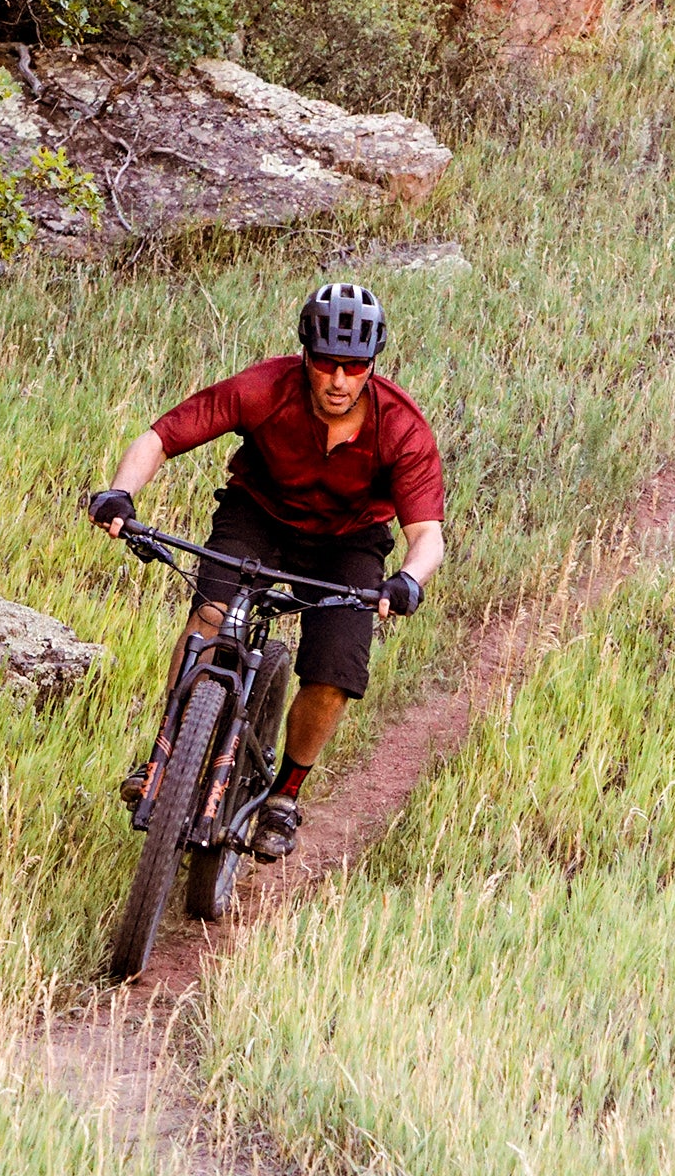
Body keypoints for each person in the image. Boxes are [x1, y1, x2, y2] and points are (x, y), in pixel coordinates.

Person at [87, 282, 445, 860]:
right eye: (327, 363)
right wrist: (121, 494)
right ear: (305, 355)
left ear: (372, 366)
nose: (339, 380)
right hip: (260, 514)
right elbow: (160, 437)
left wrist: (408, 579)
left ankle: (285, 794)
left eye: (354, 367)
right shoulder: (264, 389)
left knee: (335, 671)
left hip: (348, 542)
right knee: (209, 616)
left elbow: (427, 535)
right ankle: (165, 753)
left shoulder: (401, 427)